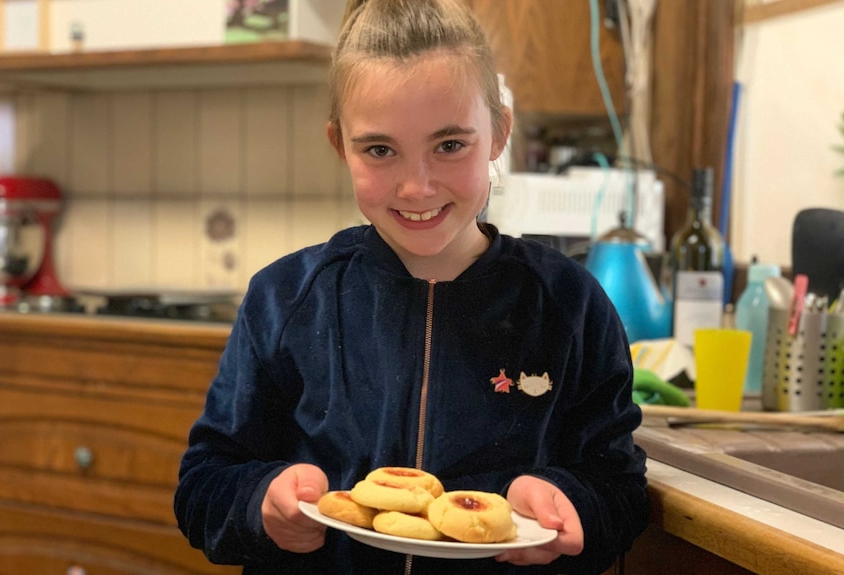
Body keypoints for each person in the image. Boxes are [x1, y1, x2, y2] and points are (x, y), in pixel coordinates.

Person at [174, 0, 649, 573]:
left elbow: (619, 487)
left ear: (498, 132)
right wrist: (260, 504)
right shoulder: (286, 298)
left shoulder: (569, 305)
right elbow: (204, 484)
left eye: (450, 145)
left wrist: (569, 505)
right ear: (340, 145)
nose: (417, 187)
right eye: (379, 150)